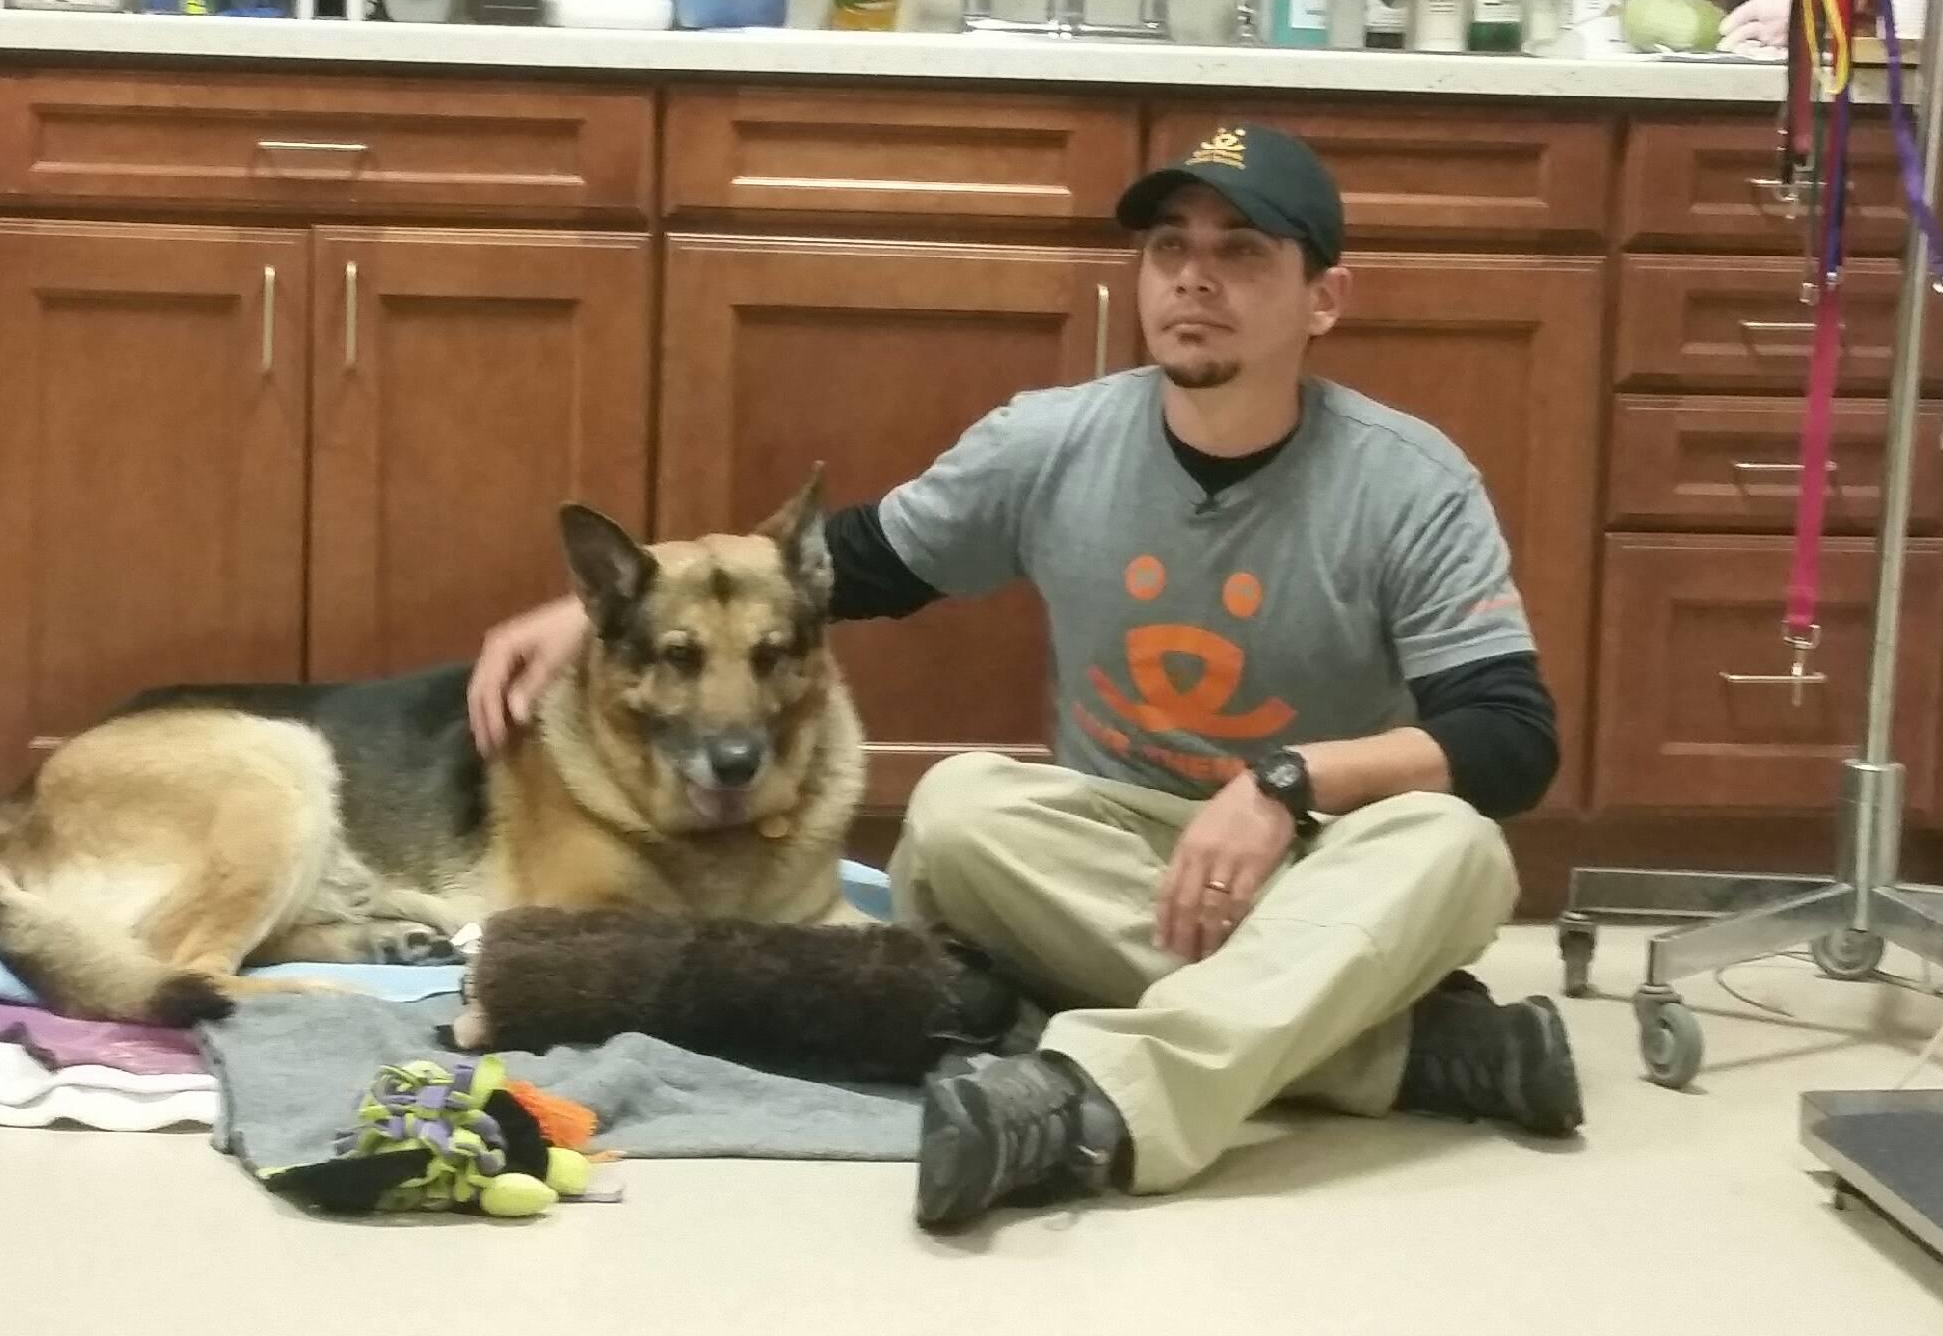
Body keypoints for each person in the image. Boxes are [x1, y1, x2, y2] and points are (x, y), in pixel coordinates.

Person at [466, 124, 1584, 1231]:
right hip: (1115, 855)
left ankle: (1086, 1100)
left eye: (1242, 250)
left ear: (1323, 299)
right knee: (953, 815)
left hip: (1324, 857)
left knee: (1455, 846)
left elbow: (1509, 736)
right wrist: (595, 605)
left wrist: (1283, 785)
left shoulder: (1410, 483)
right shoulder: (1051, 442)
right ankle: (1403, 1045)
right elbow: (848, 566)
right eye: (1167, 246)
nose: (1193, 276)